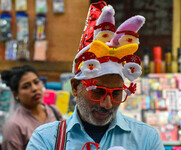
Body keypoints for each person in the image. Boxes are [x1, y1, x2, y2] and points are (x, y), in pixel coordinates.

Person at [26, 1, 165, 150]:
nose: (107, 104)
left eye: (116, 93)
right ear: (75, 87)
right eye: (98, 92)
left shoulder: (146, 138)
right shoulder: (46, 139)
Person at [1, 65, 63, 150]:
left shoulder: (54, 111)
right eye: (26, 86)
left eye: (36, 82)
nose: (34, 88)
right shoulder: (14, 126)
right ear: (16, 94)